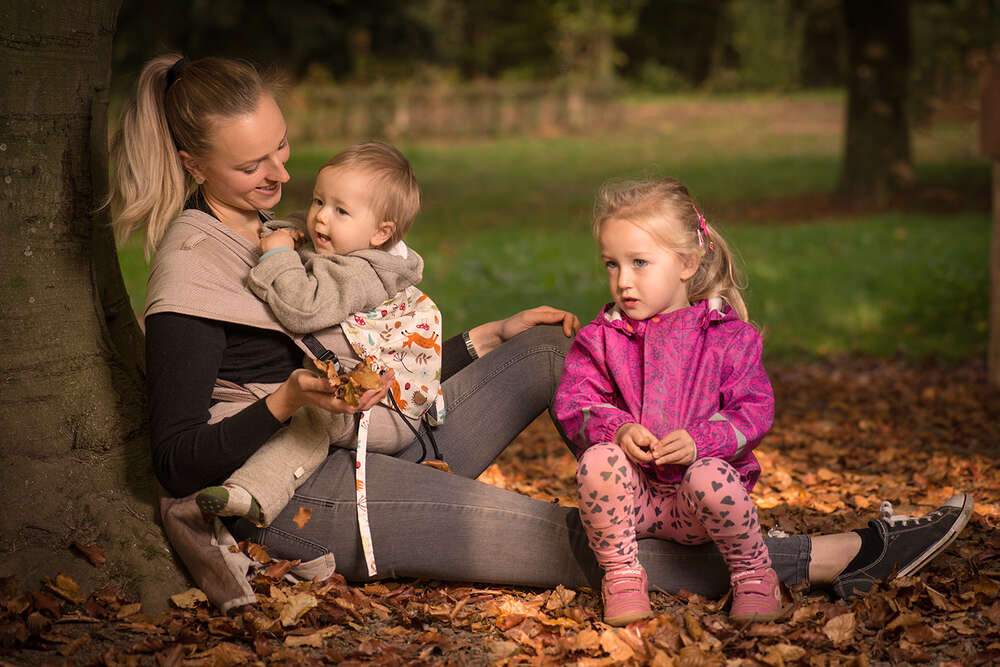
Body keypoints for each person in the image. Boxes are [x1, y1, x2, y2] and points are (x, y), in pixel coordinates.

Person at [109, 53, 974, 613]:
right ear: (193, 166)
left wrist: (482, 343)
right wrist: (288, 397)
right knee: (574, 538)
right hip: (310, 493)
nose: (281, 175)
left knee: (558, 349)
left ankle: (665, 491)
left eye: (284, 150)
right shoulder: (193, 269)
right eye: (252, 165)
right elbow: (178, 458)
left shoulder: (285, 234)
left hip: (373, 432)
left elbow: (364, 358)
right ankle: (826, 556)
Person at [194, 142, 446, 545]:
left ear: (381, 233)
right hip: (369, 395)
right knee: (308, 409)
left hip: (388, 413)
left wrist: (276, 256)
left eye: (340, 211)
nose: (320, 218)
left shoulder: (364, 272)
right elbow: (301, 231)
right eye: (318, 201)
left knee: (312, 415)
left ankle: (253, 493)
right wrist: (285, 232)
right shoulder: (349, 243)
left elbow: (303, 310)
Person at [554, 178, 778, 625]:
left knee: (711, 476)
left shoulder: (728, 338)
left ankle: (754, 574)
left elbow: (754, 409)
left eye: (639, 263)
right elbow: (573, 402)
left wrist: (701, 442)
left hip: (698, 504)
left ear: (687, 263)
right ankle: (621, 573)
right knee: (599, 461)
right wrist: (616, 427)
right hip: (633, 500)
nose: (624, 281)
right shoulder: (601, 340)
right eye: (612, 265)